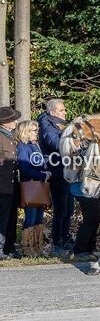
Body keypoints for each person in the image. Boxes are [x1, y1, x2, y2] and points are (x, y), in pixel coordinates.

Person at [38, 98, 73, 255]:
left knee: (69, 208)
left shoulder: (59, 124)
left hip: (66, 170)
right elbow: (56, 144)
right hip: (56, 170)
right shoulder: (46, 126)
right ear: (52, 112)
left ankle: (65, 237)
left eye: (64, 109)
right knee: (61, 209)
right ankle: (57, 241)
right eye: (62, 110)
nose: (65, 112)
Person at [16, 120, 50, 257]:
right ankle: (26, 248)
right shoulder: (23, 147)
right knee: (30, 218)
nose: (37, 133)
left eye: (37, 130)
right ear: (26, 132)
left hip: (40, 186)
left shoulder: (36, 146)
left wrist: (47, 170)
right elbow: (24, 169)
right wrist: (42, 175)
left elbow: (40, 163)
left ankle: (38, 246)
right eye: (34, 130)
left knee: (39, 219)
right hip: (31, 185)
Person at [0, 107, 22, 259]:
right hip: (2, 185)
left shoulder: (10, 136)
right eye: (13, 119)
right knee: (2, 218)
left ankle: (9, 247)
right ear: (5, 122)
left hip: (13, 185)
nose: (16, 122)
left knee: (11, 218)